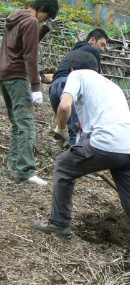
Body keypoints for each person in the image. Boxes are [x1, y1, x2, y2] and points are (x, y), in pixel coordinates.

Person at [33, 50, 130, 271]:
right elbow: (100, 123)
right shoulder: (112, 86)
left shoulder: (76, 76)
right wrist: (95, 161)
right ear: (97, 69)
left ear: (71, 69)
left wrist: (60, 129)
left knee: (63, 165)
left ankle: (60, 223)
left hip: (107, 144)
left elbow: (63, 106)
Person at [0, 0, 59, 186]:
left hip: (4, 74)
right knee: (25, 123)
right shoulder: (31, 21)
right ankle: (25, 171)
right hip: (18, 76)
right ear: (42, 8)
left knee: (18, 123)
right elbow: (30, 55)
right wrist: (36, 86)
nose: (44, 21)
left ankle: (14, 165)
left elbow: (23, 46)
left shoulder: (17, 17)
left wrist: (44, 30)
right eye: (46, 17)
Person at [49, 28, 108, 147]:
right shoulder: (91, 52)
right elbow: (96, 77)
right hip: (68, 84)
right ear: (92, 40)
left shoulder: (74, 51)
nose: (102, 49)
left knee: (67, 126)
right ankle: (74, 159)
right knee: (77, 128)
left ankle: (66, 153)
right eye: (102, 44)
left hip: (54, 87)